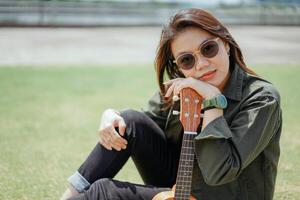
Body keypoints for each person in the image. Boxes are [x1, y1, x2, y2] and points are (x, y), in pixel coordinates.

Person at [61, 8, 282, 200]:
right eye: (187, 59)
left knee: (105, 191)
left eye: (208, 49)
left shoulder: (262, 98)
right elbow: (138, 126)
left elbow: (219, 174)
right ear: (178, 65)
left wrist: (213, 102)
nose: (202, 64)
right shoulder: (181, 89)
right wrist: (110, 115)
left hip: (224, 194)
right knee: (127, 121)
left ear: (224, 43)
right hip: (181, 187)